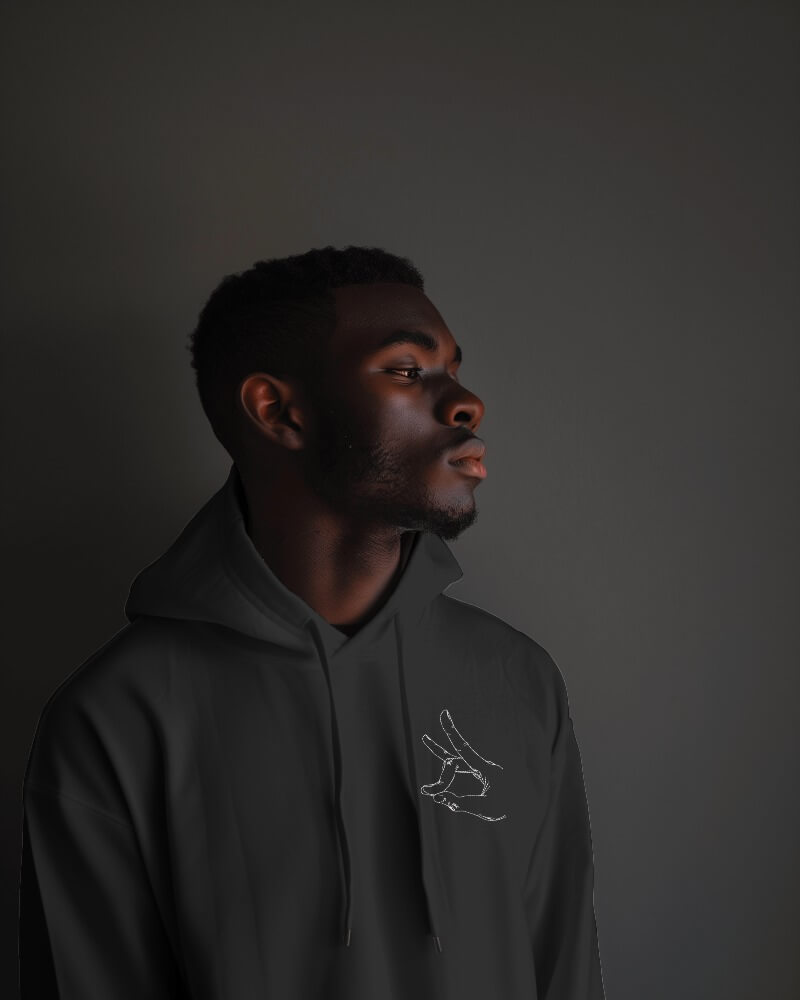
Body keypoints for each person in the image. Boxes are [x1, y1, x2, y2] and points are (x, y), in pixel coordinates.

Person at [18, 245, 606, 998]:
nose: (465, 402)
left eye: (453, 369)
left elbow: (565, 967)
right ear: (279, 411)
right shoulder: (118, 715)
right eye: (407, 370)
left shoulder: (516, 679)